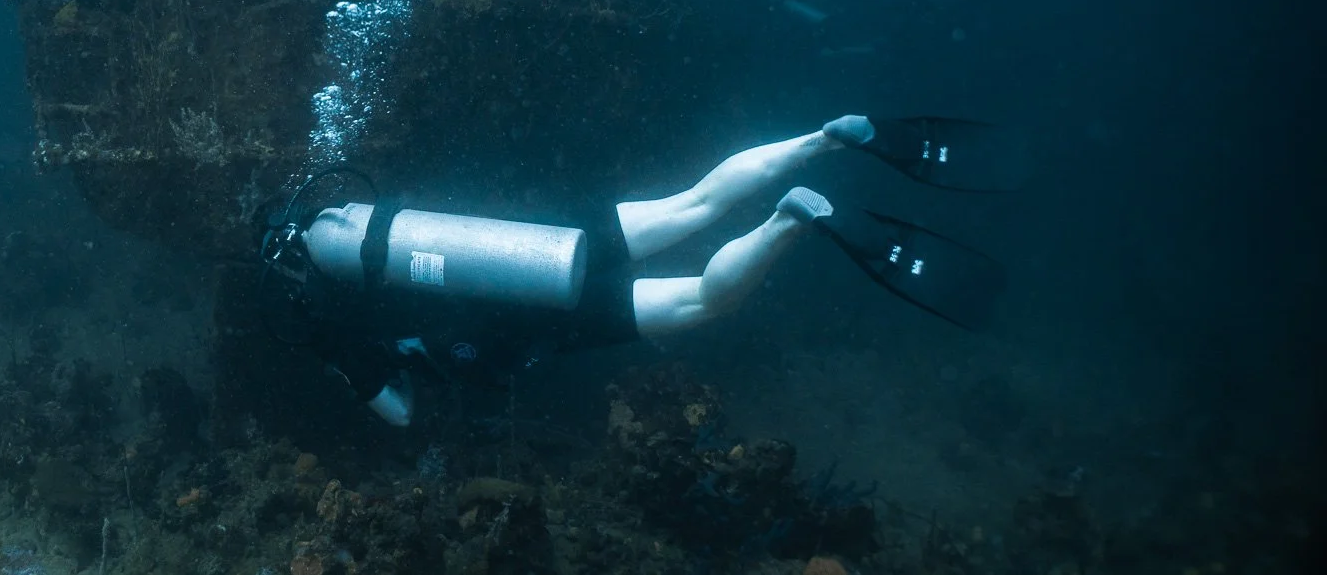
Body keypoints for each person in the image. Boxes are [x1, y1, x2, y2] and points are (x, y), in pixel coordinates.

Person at [260, 114, 1015, 425]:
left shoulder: (326, 314)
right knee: (693, 202)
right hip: (542, 237)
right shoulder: (350, 220)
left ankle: (790, 218)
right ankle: (822, 138)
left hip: (537, 308)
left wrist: (344, 366)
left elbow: (402, 411)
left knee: (699, 301)